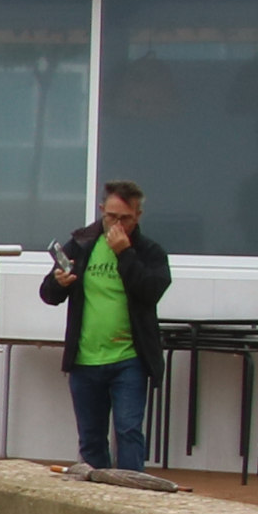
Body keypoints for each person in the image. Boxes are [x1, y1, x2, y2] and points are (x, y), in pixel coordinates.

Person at [41, 180, 170, 472]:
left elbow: (151, 291)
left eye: (125, 218)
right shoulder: (82, 244)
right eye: (111, 216)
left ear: (138, 216)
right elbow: (49, 294)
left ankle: (131, 498)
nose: (117, 224)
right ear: (101, 210)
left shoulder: (150, 252)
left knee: (128, 431)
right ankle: (95, 501)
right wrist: (57, 283)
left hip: (129, 358)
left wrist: (125, 253)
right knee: (90, 439)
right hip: (85, 359)